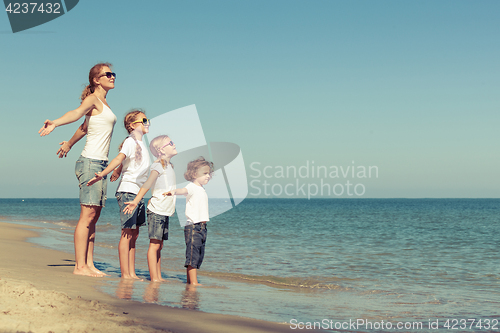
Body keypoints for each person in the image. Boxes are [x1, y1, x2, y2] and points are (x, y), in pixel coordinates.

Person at [38, 62, 117, 277]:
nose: (112, 77)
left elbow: (84, 127)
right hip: (90, 162)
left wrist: (68, 144)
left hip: (101, 164)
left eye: (113, 74)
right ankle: (79, 267)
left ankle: (89, 264)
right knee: (87, 216)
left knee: (94, 217)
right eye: (107, 74)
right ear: (96, 80)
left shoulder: (104, 104)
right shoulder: (92, 99)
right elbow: (75, 113)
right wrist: (54, 123)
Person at [87, 110, 150, 279]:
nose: (147, 122)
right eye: (143, 120)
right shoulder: (130, 141)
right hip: (128, 191)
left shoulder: (141, 144)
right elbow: (119, 158)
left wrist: (119, 170)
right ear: (131, 125)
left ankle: (132, 272)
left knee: (135, 234)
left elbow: (128, 162)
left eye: (147, 119)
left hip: (138, 194)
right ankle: (125, 274)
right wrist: (103, 173)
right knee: (127, 232)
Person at [123, 135, 178, 282]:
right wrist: (136, 201)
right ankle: (154, 278)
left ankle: (158, 275)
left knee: (159, 245)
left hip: (165, 211)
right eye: (170, 142)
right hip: (157, 210)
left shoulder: (169, 166)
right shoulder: (158, 166)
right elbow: (147, 184)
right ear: (161, 150)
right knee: (154, 245)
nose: (174, 144)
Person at [164, 157, 213, 285]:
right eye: (205, 173)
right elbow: (183, 191)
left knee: (198, 255)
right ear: (194, 174)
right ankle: (194, 283)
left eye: (209, 173)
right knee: (193, 255)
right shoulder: (191, 187)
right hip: (193, 227)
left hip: (202, 227)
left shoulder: (202, 189)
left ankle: (189, 281)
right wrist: (174, 191)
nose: (208, 176)